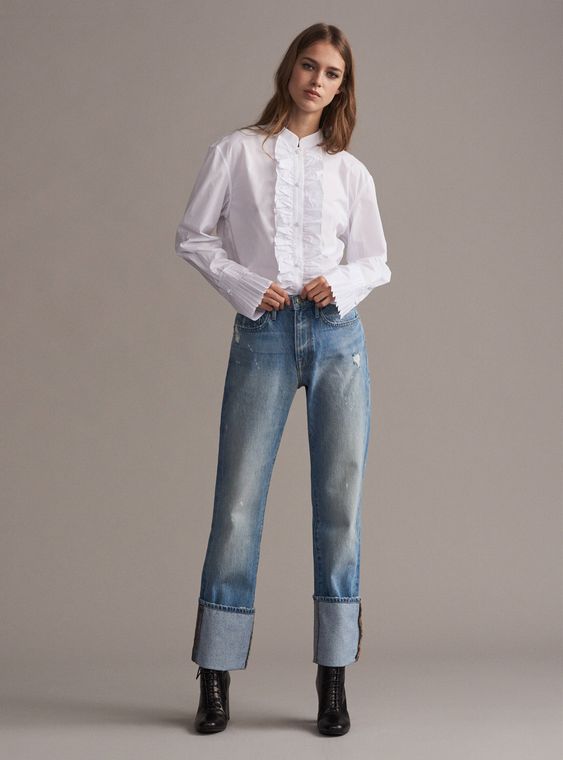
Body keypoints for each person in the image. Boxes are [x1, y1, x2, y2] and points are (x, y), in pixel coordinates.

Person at [174, 22, 391, 736]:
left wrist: (341, 284)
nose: (317, 82)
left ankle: (334, 677)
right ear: (288, 69)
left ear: (342, 88)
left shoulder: (349, 171)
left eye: (332, 74)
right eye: (309, 66)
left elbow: (377, 260)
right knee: (237, 504)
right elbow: (193, 236)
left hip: (336, 338)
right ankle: (214, 675)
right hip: (264, 334)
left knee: (340, 505)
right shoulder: (236, 152)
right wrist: (246, 284)